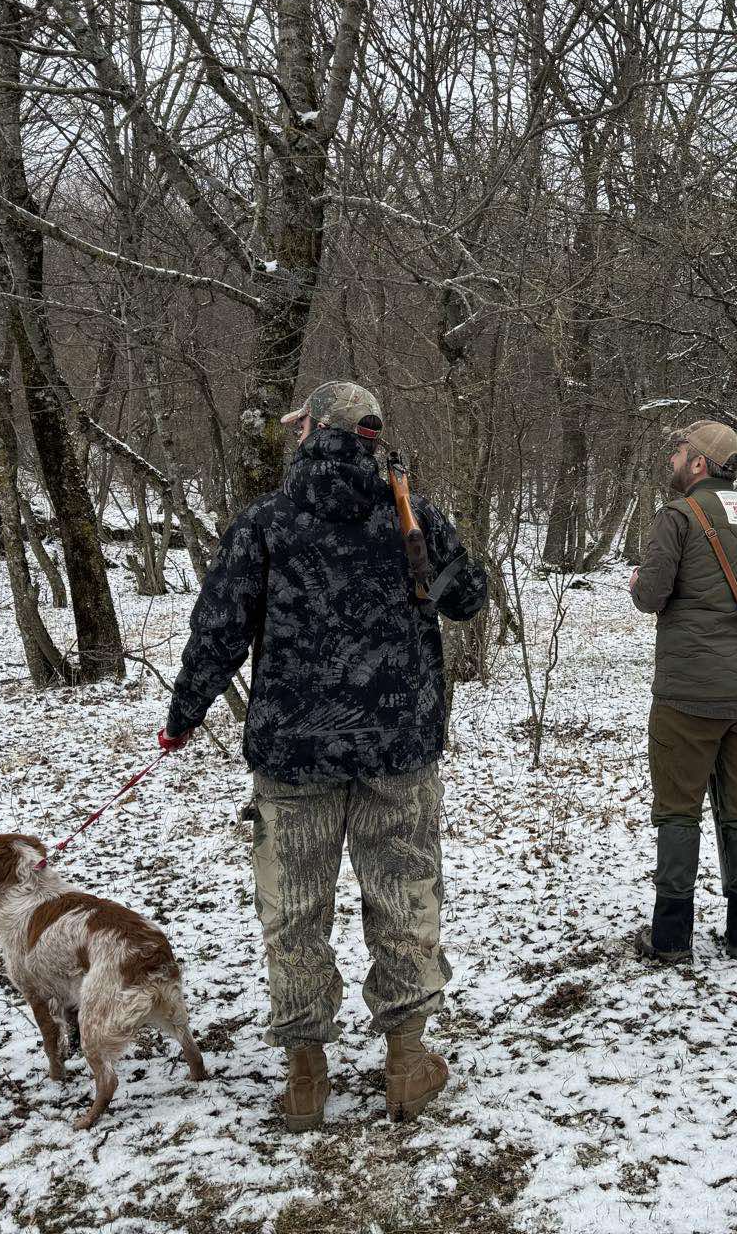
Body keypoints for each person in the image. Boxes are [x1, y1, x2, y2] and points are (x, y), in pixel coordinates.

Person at [161, 379, 487, 1130]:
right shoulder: (405, 515)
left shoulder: (271, 521)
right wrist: (421, 531)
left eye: (299, 425)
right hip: (398, 750)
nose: (294, 434)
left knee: (295, 912)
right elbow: (471, 599)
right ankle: (405, 1060)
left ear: (313, 431)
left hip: (296, 756)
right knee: (404, 899)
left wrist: (183, 715)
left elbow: (218, 630)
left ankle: (307, 1078)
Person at [628, 419, 737, 963]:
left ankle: (671, 938)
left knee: (678, 811)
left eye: (679, 451)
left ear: (699, 463)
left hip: (687, 697)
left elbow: (651, 597)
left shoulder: (678, 516)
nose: (673, 460)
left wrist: (639, 582)